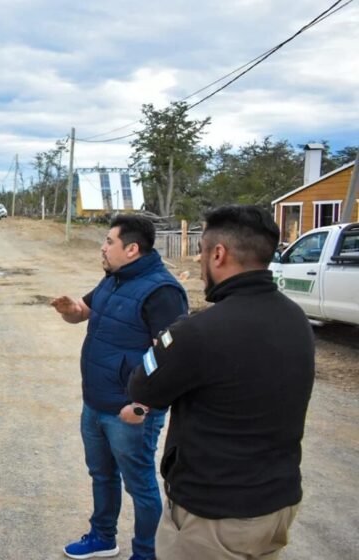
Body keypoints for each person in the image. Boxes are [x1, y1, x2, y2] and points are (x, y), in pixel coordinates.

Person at [129, 205, 315, 559]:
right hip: (276, 504)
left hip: (213, 515)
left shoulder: (198, 332)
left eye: (201, 251)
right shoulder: (296, 318)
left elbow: (142, 388)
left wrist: (168, 341)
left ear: (218, 254)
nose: (199, 261)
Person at [51, 214, 188, 560]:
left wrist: (144, 406)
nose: (103, 246)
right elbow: (83, 311)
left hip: (131, 412)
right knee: (101, 475)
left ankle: (146, 553)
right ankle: (102, 537)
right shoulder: (114, 279)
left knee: (139, 485)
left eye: (109, 241)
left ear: (131, 249)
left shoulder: (162, 291)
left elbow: (173, 359)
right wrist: (70, 310)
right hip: (96, 403)